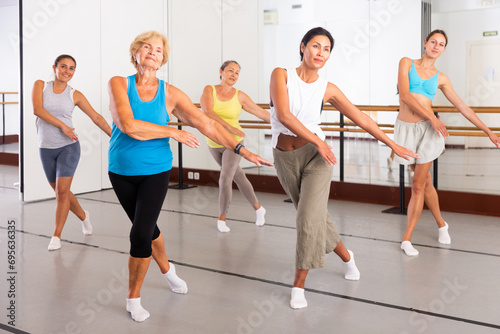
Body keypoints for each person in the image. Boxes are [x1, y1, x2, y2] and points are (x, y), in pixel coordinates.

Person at [107, 31, 273, 322]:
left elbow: (206, 124)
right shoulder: (118, 83)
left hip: (156, 171)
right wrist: (172, 130)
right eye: (146, 47)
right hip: (120, 171)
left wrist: (240, 149)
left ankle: (133, 299)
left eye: (158, 50)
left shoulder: (170, 93)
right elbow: (128, 124)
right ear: (135, 53)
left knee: (140, 234)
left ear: (162, 60)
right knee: (148, 229)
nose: (152, 52)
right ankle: (169, 271)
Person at [269, 27, 418, 309]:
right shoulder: (281, 75)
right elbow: (284, 115)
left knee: (306, 219)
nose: (320, 53)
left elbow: (361, 117)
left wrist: (391, 143)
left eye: (326, 50)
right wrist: (317, 139)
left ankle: (298, 285)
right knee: (316, 218)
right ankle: (348, 257)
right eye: (316, 46)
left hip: (318, 157)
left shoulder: (328, 89)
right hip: (285, 158)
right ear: (303, 47)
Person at [395, 29, 500, 256]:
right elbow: (404, 95)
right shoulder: (406, 63)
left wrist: (488, 132)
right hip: (407, 130)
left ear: (443, 49)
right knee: (426, 185)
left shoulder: (441, 78)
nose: (436, 46)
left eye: (441, 44)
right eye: (433, 41)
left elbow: (463, 107)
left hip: (429, 133)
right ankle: (442, 224)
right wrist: (433, 117)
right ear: (425, 43)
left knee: (416, 184)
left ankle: (406, 239)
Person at [32, 54, 112, 251]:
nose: (67, 71)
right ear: (55, 67)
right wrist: (63, 126)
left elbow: (96, 117)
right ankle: (84, 216)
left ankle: (56, 236)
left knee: (61, 192)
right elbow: (37, 110)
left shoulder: (75, 94)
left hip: (69, 146)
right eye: (63, 67)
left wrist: (117, 137)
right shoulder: (40, 85)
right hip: (46, 148)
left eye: (72, 68)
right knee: (61, 192)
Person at [200, 60, 271, 232]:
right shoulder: (209, 90)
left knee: (225, 178)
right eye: (230, 70)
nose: (234, 75)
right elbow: (207, 112)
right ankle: (259, 209)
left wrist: (283, 123)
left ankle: (221, 219)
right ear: (221, 72)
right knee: (239, 177)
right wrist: (228, 126)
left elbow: (259, 112)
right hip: (214, 142)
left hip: (234, 142)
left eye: (237, 72)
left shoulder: (239, 95)